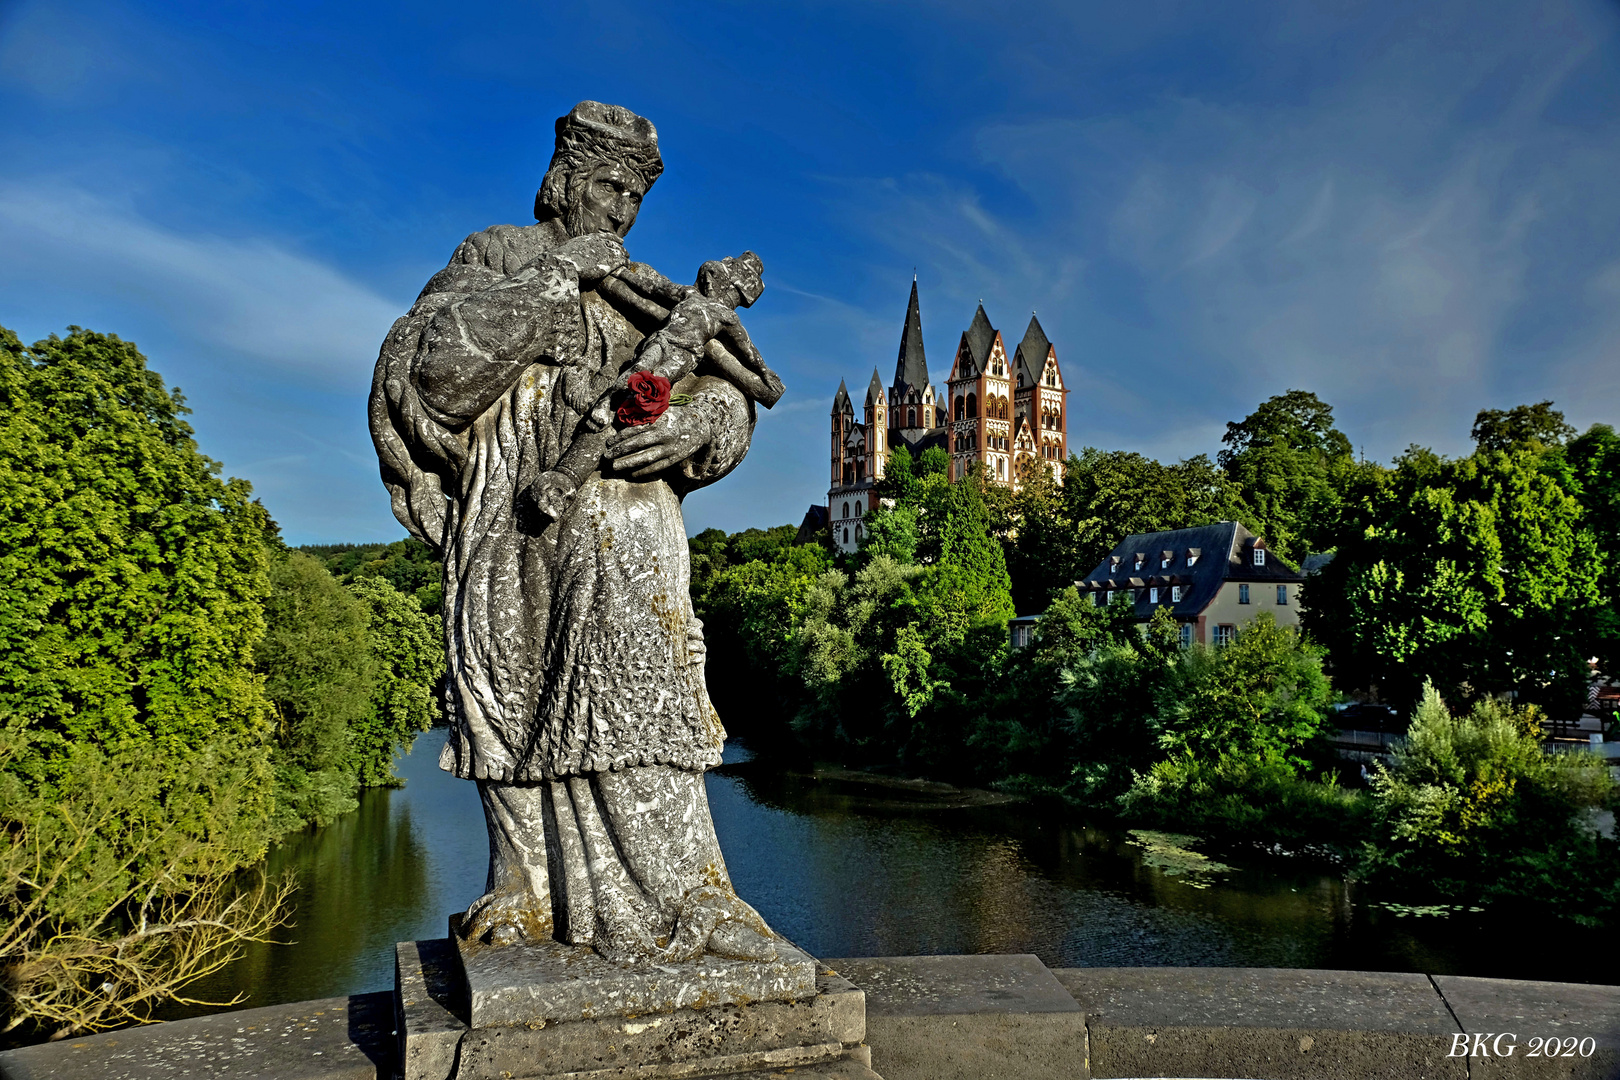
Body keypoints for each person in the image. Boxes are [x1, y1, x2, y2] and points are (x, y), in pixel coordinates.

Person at [370, 101, 779, 964]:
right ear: (561, 180)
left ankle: (690, 898)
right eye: (608, 187)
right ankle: (529, 890)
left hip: (626, 525)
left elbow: (727, 387)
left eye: (635, 196)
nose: (623, 212)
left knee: (637, 683)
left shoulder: (646, 292)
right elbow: (433, 377)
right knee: (516, 702)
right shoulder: (496, 257)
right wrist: (560, 277)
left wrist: (705, 420)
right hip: (514, 522)